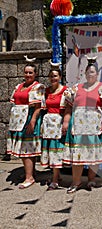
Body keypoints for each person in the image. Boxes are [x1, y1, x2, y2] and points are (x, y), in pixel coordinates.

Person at [62, 56, 102, 193]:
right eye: (88, 72)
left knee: (93, 153)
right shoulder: (76, 88)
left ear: (97, 74)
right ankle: (76, 181)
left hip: (94, 124)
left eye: (93, 72)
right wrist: (66, 121)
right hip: (78, 124)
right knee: (77, 153)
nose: (90, 74)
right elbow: (68, 106)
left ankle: (91, 179)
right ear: (84, 74)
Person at [7, 56, 45, 189]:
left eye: (30, 72)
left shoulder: (38, 87)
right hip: (17, 120)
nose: (28, 75)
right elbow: (14, 101)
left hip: (28, 118)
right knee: (25, 147)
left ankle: (29, 177)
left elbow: (39, 106)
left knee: (26, 148)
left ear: (35, 74)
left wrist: (33, 120)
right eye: (26, 72)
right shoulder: (19, 86)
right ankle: (30, 173)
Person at [40, 62, 67, 190]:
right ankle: (57, 175)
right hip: (48, 122)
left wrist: (66, 123)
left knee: (56, 150)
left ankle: (55, 180)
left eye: (55, 76)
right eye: (51, 76)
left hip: (58, 122)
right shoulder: (46, 91)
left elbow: (68, 109)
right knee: (50, 150)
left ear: (60, 77)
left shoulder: (65, 91)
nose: (53, 78)